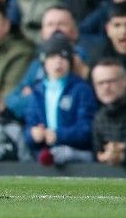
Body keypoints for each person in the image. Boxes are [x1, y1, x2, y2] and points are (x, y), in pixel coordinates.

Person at [25, 32, 97, 165]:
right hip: (44, 154)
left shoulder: (81, 89)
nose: (58, 61)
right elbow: (29, 126)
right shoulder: (37, 91)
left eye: (63, 57)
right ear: (43, 62)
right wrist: (34, 134)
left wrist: (59, 135)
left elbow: (87, 128)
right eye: (52, 57)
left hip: (75, 154)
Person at [91, 58, 126, 166]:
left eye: (111, 81)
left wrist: (124, 154)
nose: (106, 87)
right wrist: (105, 156)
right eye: (100, 83)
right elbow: (97, 153)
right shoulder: (99, 117)